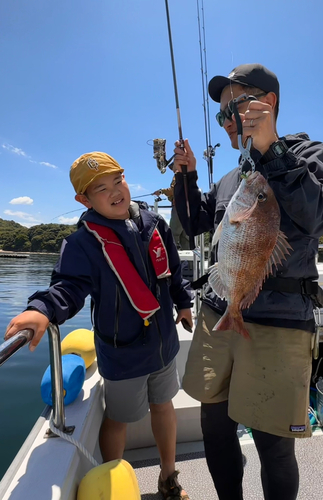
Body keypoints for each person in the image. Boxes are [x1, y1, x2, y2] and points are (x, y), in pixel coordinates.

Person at [172, 64, 323, 500]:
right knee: (214, 424)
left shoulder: (310, 154)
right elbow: (192, 224)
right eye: (221, 116)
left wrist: (273, 152)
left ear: (265, 104)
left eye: (231, 109)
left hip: (278, 323)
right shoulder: (236, 177)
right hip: (219, 312)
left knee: (273, 443)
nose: (226, 122)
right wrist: (186, 177)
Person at [4, 152, 192, 500]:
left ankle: (169, 477)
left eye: (117, 180)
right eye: (101, 188)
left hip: (165, 343)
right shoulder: (83, 244)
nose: (115, 191)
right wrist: (42, 309)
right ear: (83, 199)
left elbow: (174, 271)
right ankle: (111, 484)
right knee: (118, 419)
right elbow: (69, 286)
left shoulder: (154, 223)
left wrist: (183, 304)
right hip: (122, 353)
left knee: (164, 406)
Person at [153, 168, 190, 251]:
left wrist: (161, 191)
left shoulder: (178, 175)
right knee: (185, 236)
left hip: (179, 207)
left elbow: (174, 190)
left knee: (174, 233)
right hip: (187, 207)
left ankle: (174, 256)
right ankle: (189, 262)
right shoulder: (187, 175)